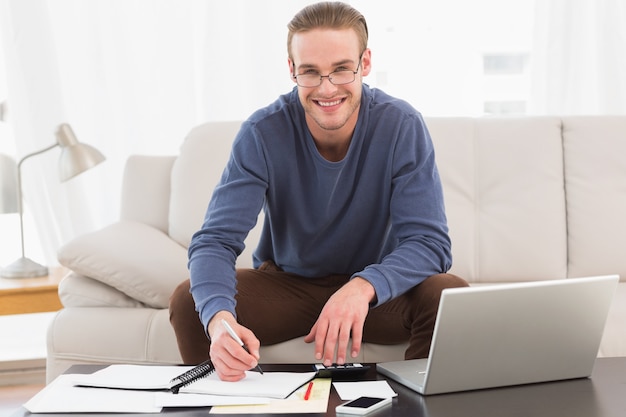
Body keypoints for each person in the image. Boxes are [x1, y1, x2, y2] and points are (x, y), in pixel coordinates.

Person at [169, 1, 468, 382]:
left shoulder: (401, 125)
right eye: (311, 72)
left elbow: (430, 243)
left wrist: (362, 287)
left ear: (366, 62)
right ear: (292, 70)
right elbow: (214, 241)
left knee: (449, 295)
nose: (327, 89)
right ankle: (225, 400)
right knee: (189, 299)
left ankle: (414, 406)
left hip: (376, 296)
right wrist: (219, 321)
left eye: (341, 69)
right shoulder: (262, 132)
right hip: (288, 286)